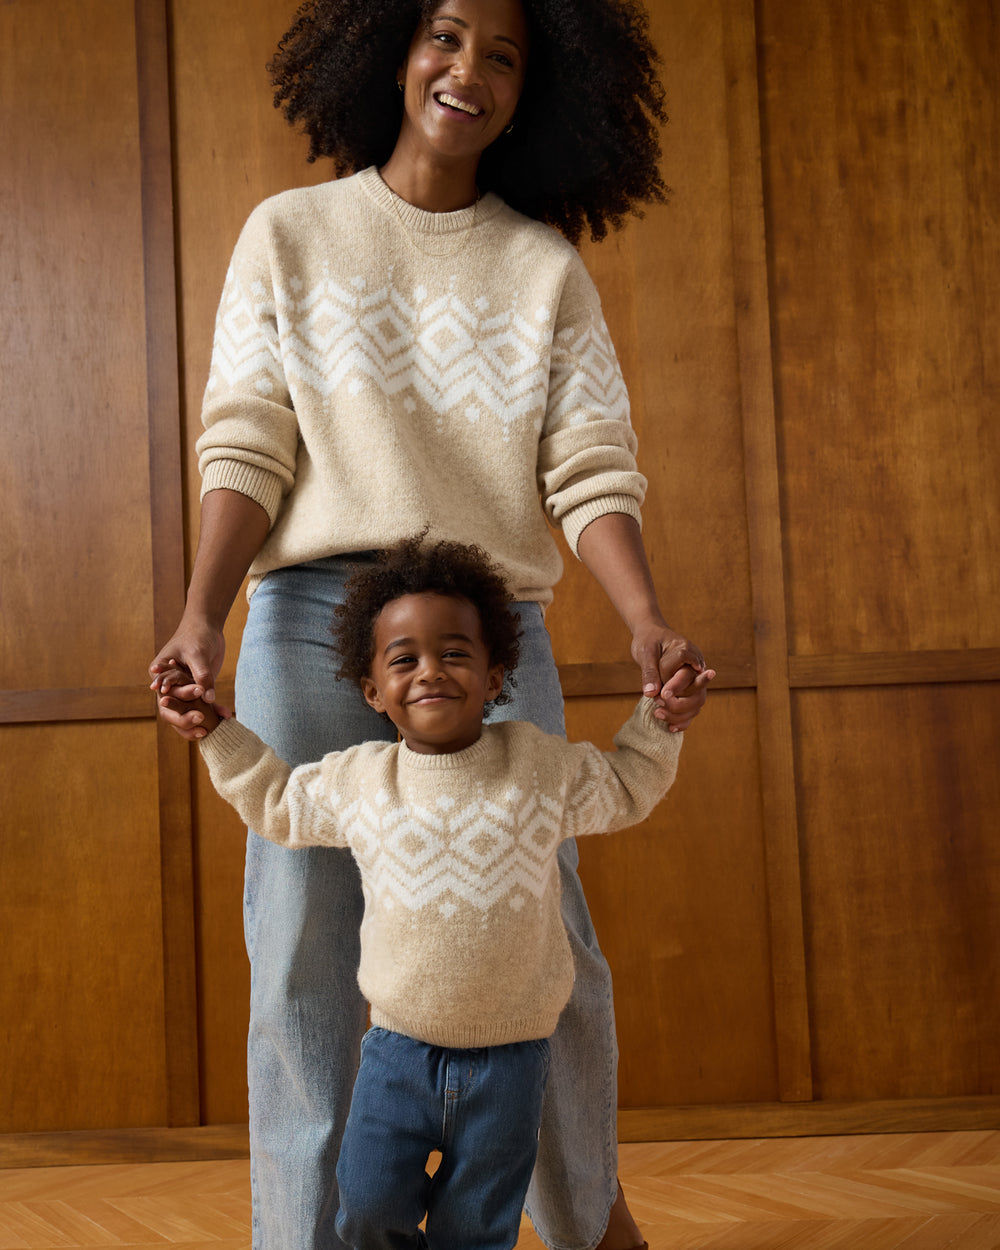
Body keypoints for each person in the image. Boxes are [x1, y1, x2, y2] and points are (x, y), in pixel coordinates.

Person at [149, 0, 714, 1246]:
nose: (469, 72)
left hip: (485, 626)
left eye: (505, 56)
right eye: (447, 37)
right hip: (307, 616)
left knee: (542, 926)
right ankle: (302, 1234)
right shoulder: (289, 234)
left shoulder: (541, 267)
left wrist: (645, 620)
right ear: (390, 50)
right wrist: (198, 612)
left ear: (537, 92)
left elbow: (591, 466)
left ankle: (584, 1222)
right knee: (301, 937)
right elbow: (246, 435)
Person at [156, 536, 699, 1250]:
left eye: (454, 653)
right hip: (396, 1059)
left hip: (512, 1065)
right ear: (372, 691)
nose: (430, 672)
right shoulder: (361, 781)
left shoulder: (538, 769)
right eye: (403, 659)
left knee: (475, 1229)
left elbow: (628, 786)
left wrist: (661, 720)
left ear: (497, 671)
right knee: (368, 1209)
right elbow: (279, 803)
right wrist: (216, 733)